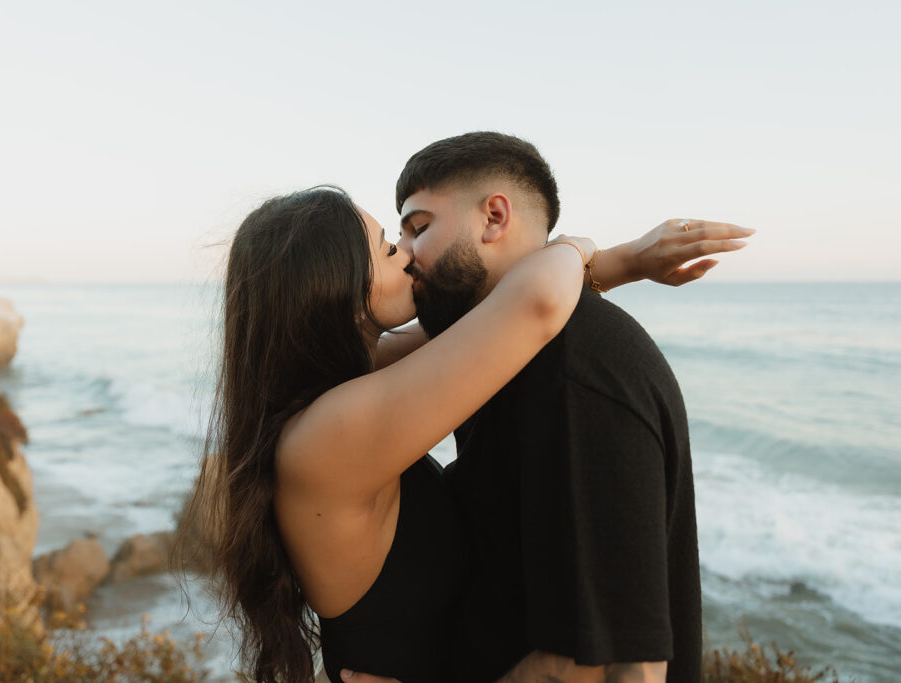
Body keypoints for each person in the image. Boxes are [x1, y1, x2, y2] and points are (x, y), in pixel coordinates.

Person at [175, 179, 750, 680]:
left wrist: (627, 263)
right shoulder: (327, 436)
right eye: (383, 246)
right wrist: (580, 245)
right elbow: (537, 303)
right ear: (333, 282)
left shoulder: (343, 387)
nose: (404, 254)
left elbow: (488, 321)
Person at [349, 132, 743, 683]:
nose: (408, 257)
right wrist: (603, 260)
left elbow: (603, 669)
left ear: (493, 217)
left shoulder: (571, 371)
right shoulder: (493, 358)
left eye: (419, 228)